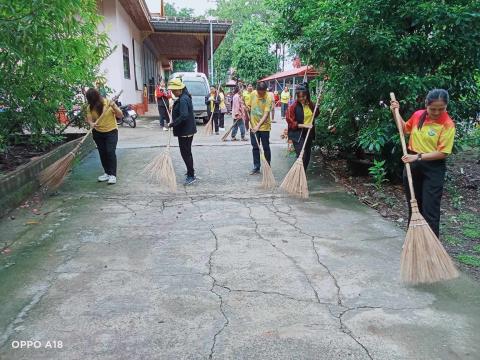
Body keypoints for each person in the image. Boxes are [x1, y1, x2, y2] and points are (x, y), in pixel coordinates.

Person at [390, 89, 455, 237]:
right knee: (414, 208)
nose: (437, 112)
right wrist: (396, 111)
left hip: (433, 168)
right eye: (433, 109)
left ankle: (431, 246)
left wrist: (418, 157)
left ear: (446, 107)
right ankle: (414, 242)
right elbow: (404, 129)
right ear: (426, 105)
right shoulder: (418, 115)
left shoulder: (447, 124)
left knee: (430, 210)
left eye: (441, 109)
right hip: (412, 165)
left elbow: (443, 152)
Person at [85, 88, 123, 185]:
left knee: (110, 151)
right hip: (98, 133)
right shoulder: (90, 107)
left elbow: (120, 115)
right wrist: (91, 123)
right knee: (102, 153)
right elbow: (89, 119)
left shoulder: (108, 103)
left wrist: (114, 106)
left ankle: (113, 175)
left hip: (111, 131)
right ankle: (107, 173)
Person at [168, 78, 198, 186]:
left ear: (179, 89)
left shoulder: (183, 99)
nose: (172, 92)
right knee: (187, 153)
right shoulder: (183, 97)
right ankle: (190, 171)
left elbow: (184, 115)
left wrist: (173, 123)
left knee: (185, 154)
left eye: (174, 90)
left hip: (185, 131)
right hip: (186, 130)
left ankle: (191, 175)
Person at [285, 83, 319, 171]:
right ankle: (297, 173)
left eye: (303, 96)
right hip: (297, 134)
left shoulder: (310, 104)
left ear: (307, 95)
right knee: (302, 155)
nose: (301, 99)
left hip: (308, 133)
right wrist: (304, 125)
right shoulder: (293, 106)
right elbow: (291, 122)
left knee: (307, 155)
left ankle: (302, 174)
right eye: (299, 97)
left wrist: (317, 105)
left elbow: (316, 114)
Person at [249, 81, 272, 175]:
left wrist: (258, 126)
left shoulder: (268, 98)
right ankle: (256, 167)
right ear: (257, 90)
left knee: (266, 147)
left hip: (264, 127)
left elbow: (266, 114)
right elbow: (249, 106)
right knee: (255, 147)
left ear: (265, 91)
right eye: (259, 93)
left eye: (263, 93)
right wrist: (247, 108)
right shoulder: (253, 94)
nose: (261, 95)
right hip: (253, 125)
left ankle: (267, 166)